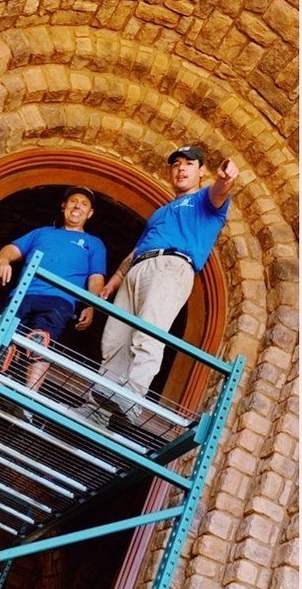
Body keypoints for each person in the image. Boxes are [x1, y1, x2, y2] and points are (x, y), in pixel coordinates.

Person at [84, 147, 239, 424]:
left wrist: (226, 179)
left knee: (148, 334)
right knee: (115, 340)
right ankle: (95, 411)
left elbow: (220, 191)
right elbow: (138, 248)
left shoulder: (205, 200)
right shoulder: (161, 212)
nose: (181, 169)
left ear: (201, 171)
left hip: (171, 267)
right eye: (176, 164)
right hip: (139, 268)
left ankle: (132, 399)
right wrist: (115, 281)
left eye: (189, 164)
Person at [0, 186, 106, 431]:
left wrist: (92, 305)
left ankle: (26, 399)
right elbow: (11, 249)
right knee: (5, 345)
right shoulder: (42, 233)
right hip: (23, 294)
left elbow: (96, 278)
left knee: (39, 342)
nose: (77, 206)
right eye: (73, 201)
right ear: (63, 206)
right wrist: (3, 260)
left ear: (90, 214)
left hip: (59, 301)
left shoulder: (93, 244)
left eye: (84, 204)